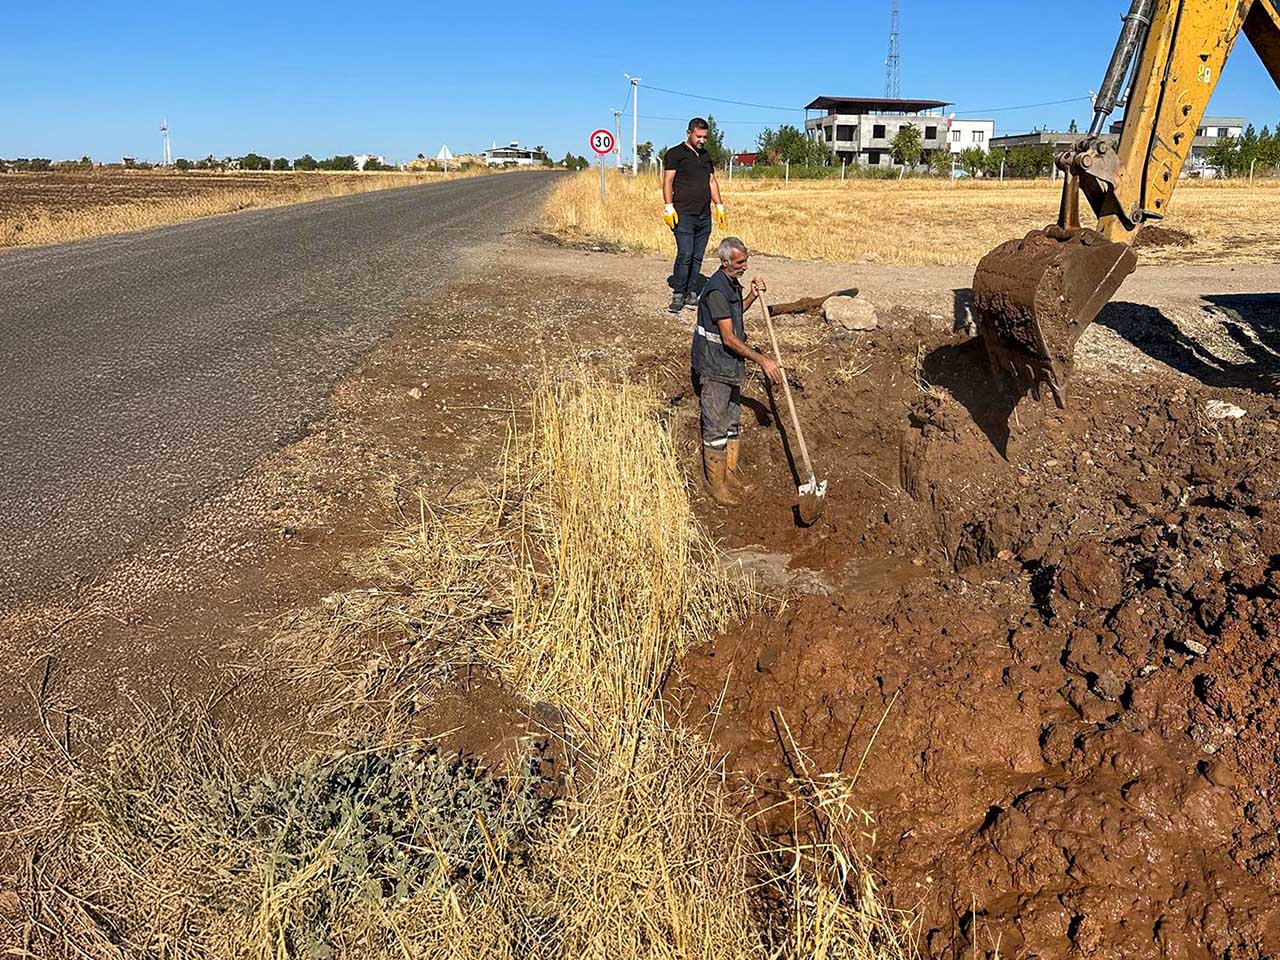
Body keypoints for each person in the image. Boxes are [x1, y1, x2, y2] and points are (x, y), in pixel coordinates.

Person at [691, 237, 783, 507]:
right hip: (715, 367)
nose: (745, 266)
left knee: (731, 424)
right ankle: (716, 485)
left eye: (746, 261)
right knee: (716, 427)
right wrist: (762, 360)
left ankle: (729, 477)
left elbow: (735, 314)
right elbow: (729, 337)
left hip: (730, 366)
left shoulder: (730, 284)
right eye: (740, 262)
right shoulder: (717, 291)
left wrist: (752, 296)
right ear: (725, 262)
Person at [663, 118, 727, 314]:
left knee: (698, 256)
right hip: (683, 215)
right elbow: (668, 181)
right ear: (688, 133)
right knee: (685, 254)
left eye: (705, 137)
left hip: (703, 216)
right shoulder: (675, 154)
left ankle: (692, 291)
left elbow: (712, 182)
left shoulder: (706, 155)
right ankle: (678, 293)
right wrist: (668, 206)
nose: (702, 140)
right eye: (698, 136)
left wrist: (719, 206)